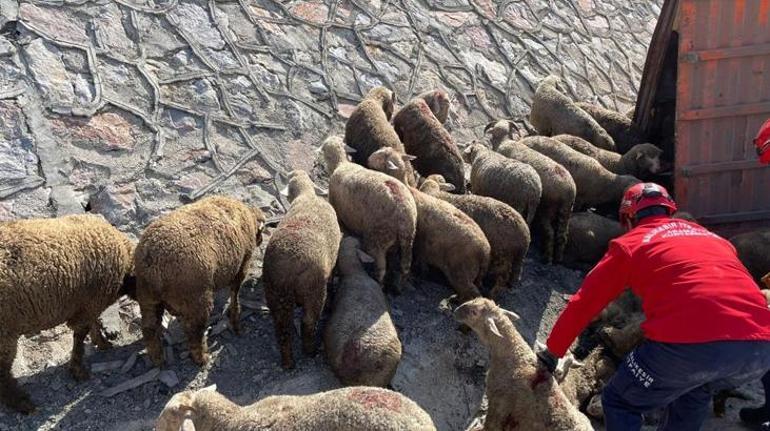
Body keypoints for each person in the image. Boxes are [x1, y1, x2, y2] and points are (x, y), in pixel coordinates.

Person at [536, 182, 770, 431]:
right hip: (759, 349)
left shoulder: (631, 244)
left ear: (628, 219)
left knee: (619, 400)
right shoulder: (714, 239)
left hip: (687, 348)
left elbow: (584, 304)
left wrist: (552, 352)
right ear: (670, 212)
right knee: (695, 391)